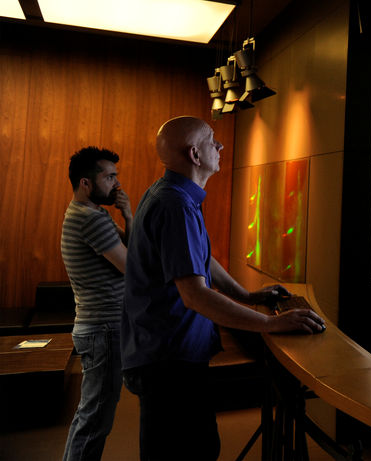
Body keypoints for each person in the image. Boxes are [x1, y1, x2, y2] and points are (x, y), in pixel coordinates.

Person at [121, 116, 324, 461]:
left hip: (169, 355)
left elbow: (201, 259)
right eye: (212, 140)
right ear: (195, 155)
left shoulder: (175, 195)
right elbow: (194, 294)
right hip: (168, 361)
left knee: (197, 446)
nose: (221, 146)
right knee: (186, 451)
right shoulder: (175, 205)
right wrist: (270, 324)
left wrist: (246, 296)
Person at [61, 146, 133, 461]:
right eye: (109, 176)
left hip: (99, 327)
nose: (116, 183)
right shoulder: (90, 219)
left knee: (93, 415)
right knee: (94, 419)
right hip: (102, 329)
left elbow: (129, 248)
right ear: (87, 183)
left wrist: (129, 216)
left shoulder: (94, 213)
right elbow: (133, 267)